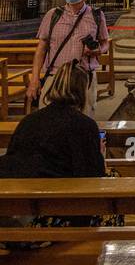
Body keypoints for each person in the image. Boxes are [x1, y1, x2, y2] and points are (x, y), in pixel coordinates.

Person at [1, 63, 109, 244]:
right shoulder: (84, 125)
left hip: (12, 215)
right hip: (46, 221)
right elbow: (93, 180)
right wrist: (100, 156)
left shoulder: (28, 121)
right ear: (83, 91)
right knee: (110, 205)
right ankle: (90, 256)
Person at [26, 0, 109, 119]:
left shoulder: (96, 15)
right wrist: (34, 80)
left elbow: (105, 42)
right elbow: (42, 48)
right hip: (55, 75)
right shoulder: (53, 15)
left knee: (82, 119)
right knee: (48, 119)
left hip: (83, 76)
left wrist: (98, 51)